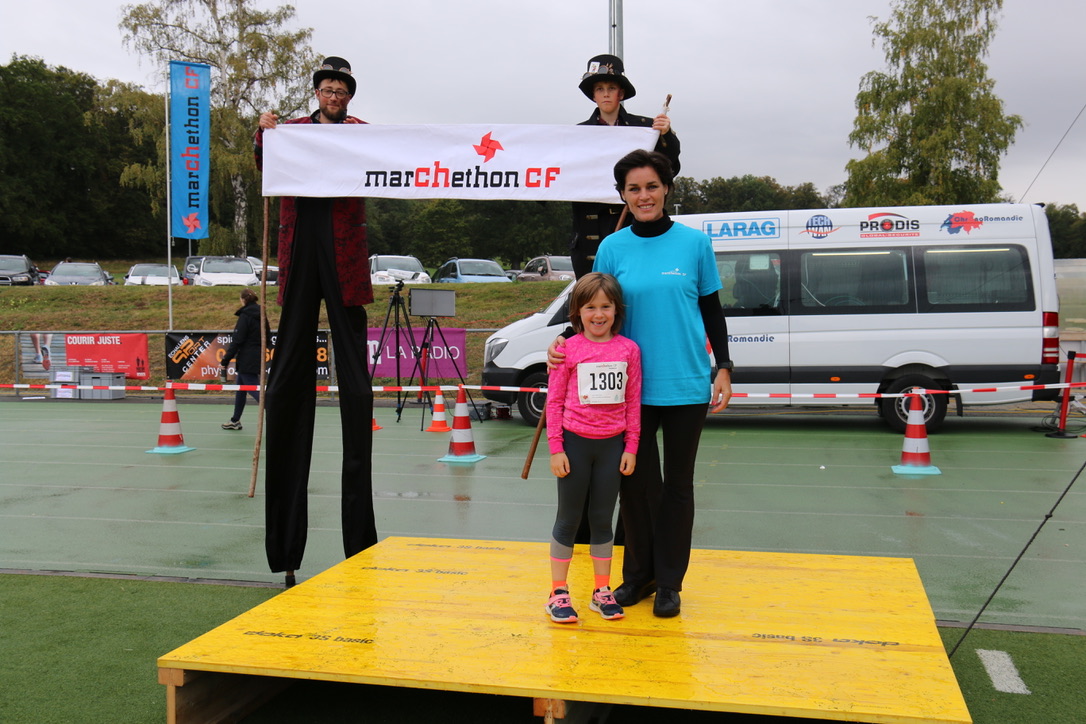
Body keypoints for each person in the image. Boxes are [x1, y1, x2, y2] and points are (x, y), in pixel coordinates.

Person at [550, 149, 733, 618]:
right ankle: (638, 577)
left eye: (652, 186)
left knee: (677, 487)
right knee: (633, 487)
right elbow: (593, 307)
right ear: (623, 196)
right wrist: (563, 342)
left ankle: (669, 583)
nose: (644, 195)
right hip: (625, 391)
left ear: (666, 188)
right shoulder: (613, 248)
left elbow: (712, 309)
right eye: (633, 189)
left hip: (685, 383)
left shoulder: (695, 244)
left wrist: (724, 366)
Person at [254, 57, 376, 588]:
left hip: (344, 250)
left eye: (341, 89)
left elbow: (400, 158)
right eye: (327, 88)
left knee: (356, 386)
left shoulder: (362, 132)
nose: (334, 95)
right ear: (318, 93)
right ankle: (286, 549)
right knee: (288, 379)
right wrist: (263, 133)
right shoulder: (294, 131)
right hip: (301, 240)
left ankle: (360, 545)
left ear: (349, 96)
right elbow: (264, 162)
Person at [544, 273, 641, 624]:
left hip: (612, 447)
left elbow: (633, 401)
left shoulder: (629, 350)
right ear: (577, 312)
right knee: (569, 518)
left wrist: (631, 446)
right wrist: (556, 448)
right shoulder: (567, 349)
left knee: (602, 519)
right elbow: (554, 402)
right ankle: (558, 592)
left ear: (617, 310)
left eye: (605, 307)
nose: (598, 315)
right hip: (575, 445)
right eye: (590, 308)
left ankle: (602, 591)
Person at [570, 54, 681, 279]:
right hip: (592, 229)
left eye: (611, 88)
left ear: (620, 93)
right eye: (600, 89)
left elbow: (671, 168)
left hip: (634, 221)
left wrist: (666, 135)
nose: (606, 94)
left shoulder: (647, 128)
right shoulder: (575, 134)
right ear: (593, 95)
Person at [219, 288, 267, 431]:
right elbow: (268, 335)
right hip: (257, 355)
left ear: (243, 300)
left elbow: (237, 340)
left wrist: (225, 360)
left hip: (247, 358)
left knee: (255, 390)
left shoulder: (245, 316)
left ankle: (277, 413)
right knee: (241, 389)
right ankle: (235, 420)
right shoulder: (262, 314)